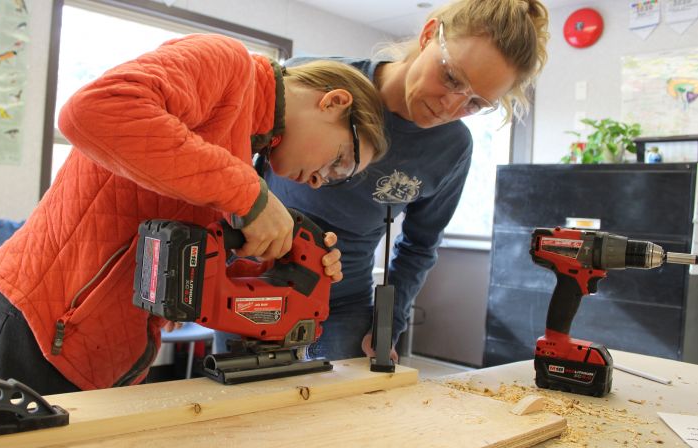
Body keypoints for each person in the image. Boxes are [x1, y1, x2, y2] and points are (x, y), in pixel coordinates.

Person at [0, 33, 389, 401]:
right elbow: (93, 110)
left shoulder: (245, 148)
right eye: (341, 161)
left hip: (102, 347)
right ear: (333, 102)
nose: (321, 181)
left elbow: (184, 246)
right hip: (41, 324)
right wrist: (251, 197)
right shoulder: (226, 63)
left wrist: (285, 270)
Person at [216, 0, 550, 362]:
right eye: (452, 78)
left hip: (342, 304)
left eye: (474, 103)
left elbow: (419, 246)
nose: (450, 107)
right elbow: (224, 167)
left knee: (340, 416)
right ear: (427, 35)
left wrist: (390, 320)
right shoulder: (312, 77)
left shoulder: (452, 148)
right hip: (251, 283)